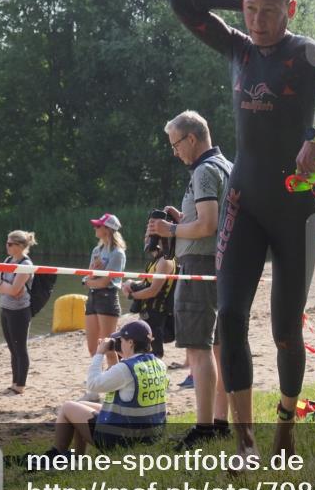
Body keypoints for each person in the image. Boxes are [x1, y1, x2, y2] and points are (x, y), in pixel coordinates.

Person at [170, 0, 315, 461]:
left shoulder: (308, 54)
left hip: (295, 209)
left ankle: (286, 422)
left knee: (286, 329)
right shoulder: (237, 46)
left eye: (270, 10)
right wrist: (240, 1)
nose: (258, 20)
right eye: (251, 10)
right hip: (243, 204)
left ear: (290, 10)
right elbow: (183, 1)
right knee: (230, 317)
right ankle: (244, 439)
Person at [146, 111, 231, 449]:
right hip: (224, 265)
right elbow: (213, 219)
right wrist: (185, 221)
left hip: (199, 264)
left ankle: (204, 428)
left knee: (198, 348)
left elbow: (208, 224)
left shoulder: (204, 170)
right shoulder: (228, 166)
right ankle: (221, 422)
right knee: (221, 347)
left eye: (176, 144)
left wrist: (171, 230)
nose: (175, 151)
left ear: (192, 139)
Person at [39, 320, 166, 461]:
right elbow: (122, 386)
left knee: (68, 407)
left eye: (122, 340)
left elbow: (93, 385)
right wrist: (112, 355)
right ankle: (76, 458)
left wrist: (99, 354)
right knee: (82, 407)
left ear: (130, 343)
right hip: (151, 434)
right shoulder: (159, 364)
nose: (119, 343)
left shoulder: (126, 368)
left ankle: (56, 455)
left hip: (123, 439)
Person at [124, 222, 178, 360]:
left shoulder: (165, 261)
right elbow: (147, 283)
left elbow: (153, 290)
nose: (145, 240)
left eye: (148, 237)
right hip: (147, 311)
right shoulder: (155, 260)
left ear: (157, 239)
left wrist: (132, 295)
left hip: (157, 313)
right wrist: (131, 284)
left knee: (154, 353)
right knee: (141, 348)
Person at [0, 230, 36, 395]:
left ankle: (21, 385)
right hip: (5, 308)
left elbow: (13, 290)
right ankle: (14, 382)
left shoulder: (25, 265)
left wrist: (6, 288)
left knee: (20, 349)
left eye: (10, 244)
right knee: (12, 348)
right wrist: (7, 288)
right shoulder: (7, 260)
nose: (7, 246)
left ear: (19, 246)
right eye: (7, 242)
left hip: (19, 311)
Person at [83, 213, 126, 367]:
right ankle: (97, 378)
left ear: (107, 230)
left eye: (98, 226)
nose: (95, 228)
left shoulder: (117, 253)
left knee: (107, 346)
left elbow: (104, 282)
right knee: (92, 347)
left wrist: (91, 280)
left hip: (108, 298)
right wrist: (92, 276)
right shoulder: (97, 250)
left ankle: (114, 376)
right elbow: (87, 277)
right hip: (93, 298)